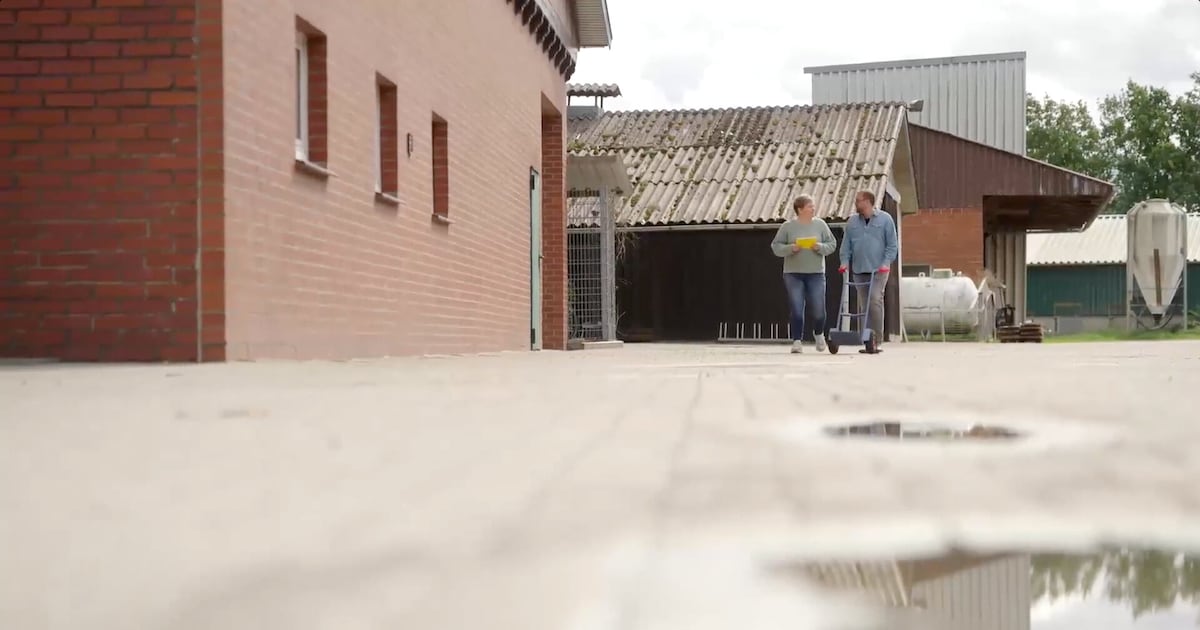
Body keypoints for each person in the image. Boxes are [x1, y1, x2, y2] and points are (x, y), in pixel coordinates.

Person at [771, 195, 837, 354]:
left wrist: (820, 247)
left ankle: (819, 334)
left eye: (813, 206)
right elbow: (775, 246)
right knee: (797, 308)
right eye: (810, 206)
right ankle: (797, 341)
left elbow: (832, 244)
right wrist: (790, 249)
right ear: (800, 209)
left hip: (816, 273)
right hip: (793, 274)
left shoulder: (821, 225)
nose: (813, 209)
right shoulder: (787, 227)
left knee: (819, 309)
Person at [837, 190, 898, 354]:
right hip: (859, 269)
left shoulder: (885, 219)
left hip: (879, 270)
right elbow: (846, 246)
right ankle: (867, 341)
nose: (856, 203)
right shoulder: (852, 222)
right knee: (864, 305)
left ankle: (877, 339)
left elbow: (892, 245)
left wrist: (886, 263)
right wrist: (844, 262)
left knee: (875, 300)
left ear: (869, 202)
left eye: (859, 201)